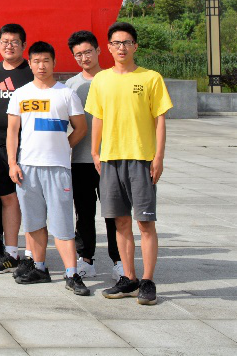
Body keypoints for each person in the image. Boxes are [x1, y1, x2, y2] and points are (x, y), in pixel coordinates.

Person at [87, 21, 172, 306]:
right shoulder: (101, 80)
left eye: (126, 42)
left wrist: (158, 157)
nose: (121, 48)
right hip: (110, 159)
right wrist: (95, 152)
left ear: (135, 46)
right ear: (108, 48)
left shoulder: (151, 78)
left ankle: (147, 280)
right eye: (116, 43)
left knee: (145, 222)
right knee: (120, 221)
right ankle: (129, 278)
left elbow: (160, 119)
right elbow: (97, 117)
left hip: (141, 158)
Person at [6, 42, 91, 296]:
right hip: (27, 168)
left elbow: (81, 128)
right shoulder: (20, 94)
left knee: (62, 223)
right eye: (36, 61)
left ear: (54, 63)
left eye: (46, 61)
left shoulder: (66, 94)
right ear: (30, 64)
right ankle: (40, 267)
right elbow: (12, 132)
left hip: (57, 168)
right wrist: (12, 163)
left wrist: (64, 146)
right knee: (33, 222)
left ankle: (71, 274)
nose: (41, 66)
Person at [66, 30, 122, 280]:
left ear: (99, 51)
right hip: (80, 160)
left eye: (88, 52)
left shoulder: (113, 80)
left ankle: (119, 260)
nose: (84, 58)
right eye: (78, 54)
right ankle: (86, 258)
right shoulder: (71, 85)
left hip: (110, 159)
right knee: (84, 212)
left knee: (114, 212)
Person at [0, 23, 31, 273]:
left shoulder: (31, 72)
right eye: (4, 42)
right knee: (7, 198)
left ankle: (32, 255)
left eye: (14, 42)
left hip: (27, 147)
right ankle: (11, 253)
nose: (9, 46)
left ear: (23, 45)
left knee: (30, 200)